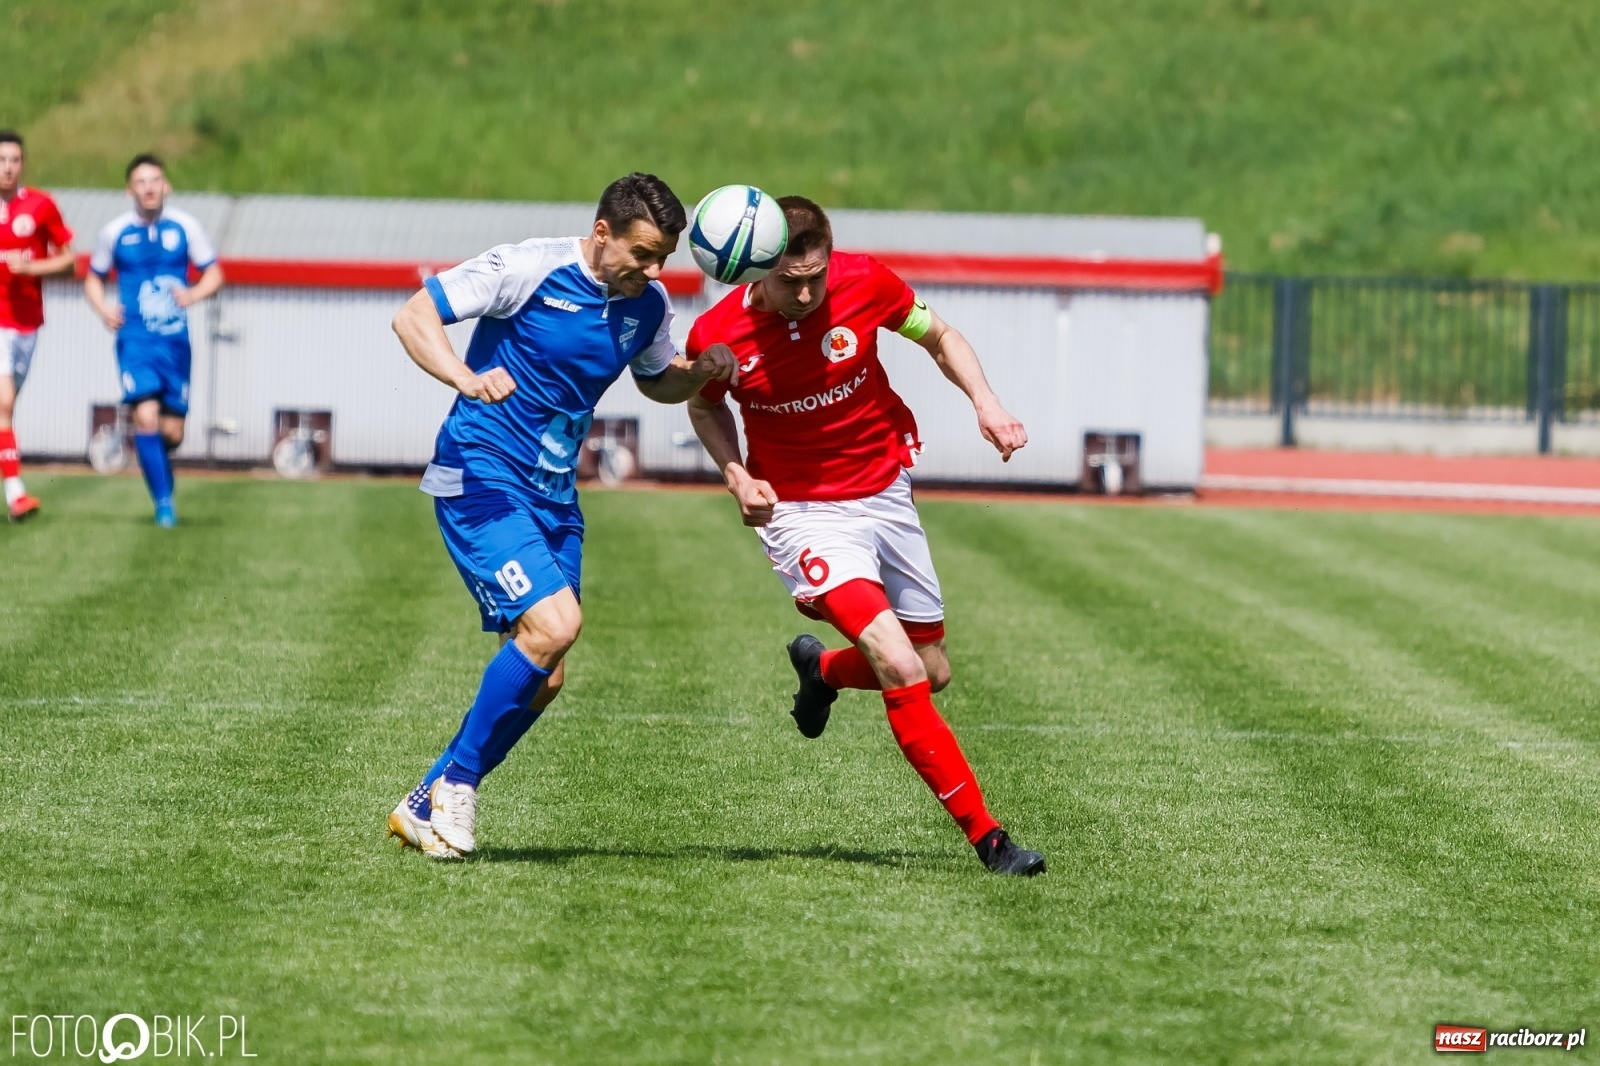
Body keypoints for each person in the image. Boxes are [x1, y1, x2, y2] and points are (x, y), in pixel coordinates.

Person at [685, 196, 1045, 877]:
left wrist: (986, 403)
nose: (804, 292)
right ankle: (991, 841)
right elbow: (704, 409)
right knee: (899, 664)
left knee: (932, 669)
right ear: (757, 269)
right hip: (803, 515)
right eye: (789, 279)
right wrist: (736, 475)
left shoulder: (865, 282)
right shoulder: (717, 335)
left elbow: (940, 336)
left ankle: (822, 670)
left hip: (885, 491)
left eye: (814, 277)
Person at [386, 172, 736, 860]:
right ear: (602, 233)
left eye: (662, 255)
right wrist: (464, 377)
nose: (653, 268)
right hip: (481, 473)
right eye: (641, 252)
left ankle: (423, 802)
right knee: (557, 625)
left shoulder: (649, 304)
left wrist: (698, 374)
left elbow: (655, 377)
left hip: (552, 496)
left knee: (547, 674)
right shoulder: (527, 267)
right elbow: (412, 317)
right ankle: (458, 786)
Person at [84, 154, 224, 527]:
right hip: (135, 340)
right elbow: (93, 277)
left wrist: (192, 295)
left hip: (174, 342)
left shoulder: (185, 227)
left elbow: (214, 274)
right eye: (142, 182)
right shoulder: (114, 233)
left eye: (155, 180)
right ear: (130, 190)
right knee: (145, 417)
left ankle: (157, 465)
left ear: (166, 186)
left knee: (172, 432)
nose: (149, 187)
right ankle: (164, 504)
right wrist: (103, 309)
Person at [0, 131, 77, 522]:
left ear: (23, 164)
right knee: (3, 404)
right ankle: (16, 495)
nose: (8, 167)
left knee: (5, 413)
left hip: (27, 323)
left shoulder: (41, 206)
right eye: (1, 159)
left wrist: (31, 266)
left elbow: (69, 262)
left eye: (14, 159)